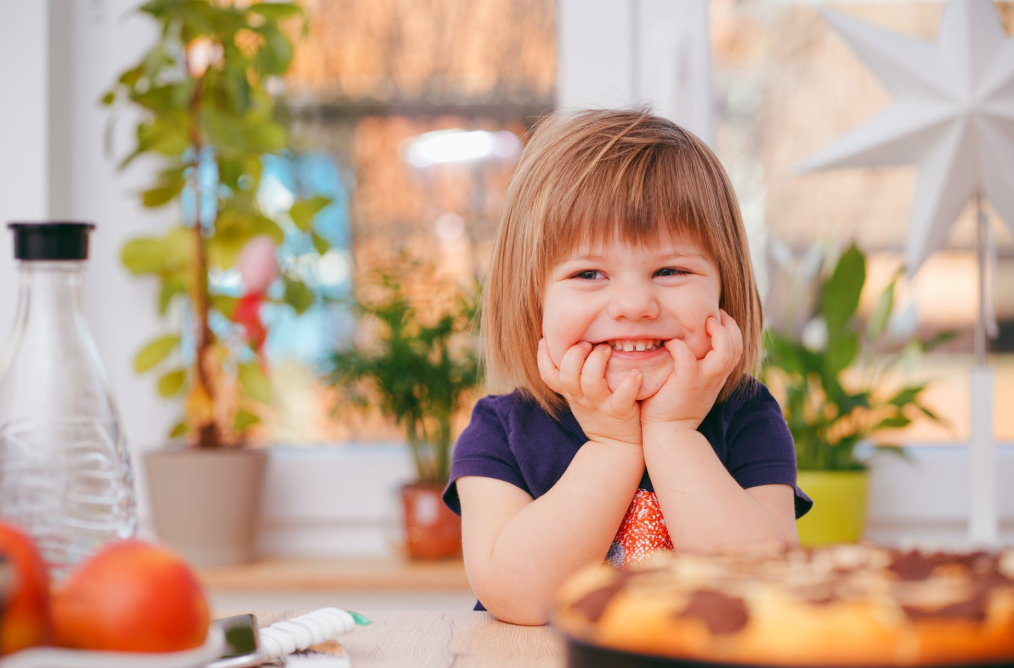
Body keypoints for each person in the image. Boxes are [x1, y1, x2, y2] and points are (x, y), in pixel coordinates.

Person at [441, 108, 813, 626]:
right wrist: (613, 445)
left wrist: (674, 435)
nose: (634, 304)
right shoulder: (500, 430)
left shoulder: (747, 416)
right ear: (533, 302)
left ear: (724, 290)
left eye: (671, 270)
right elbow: (518, 598)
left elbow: (764, 590)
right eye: (589, 273)